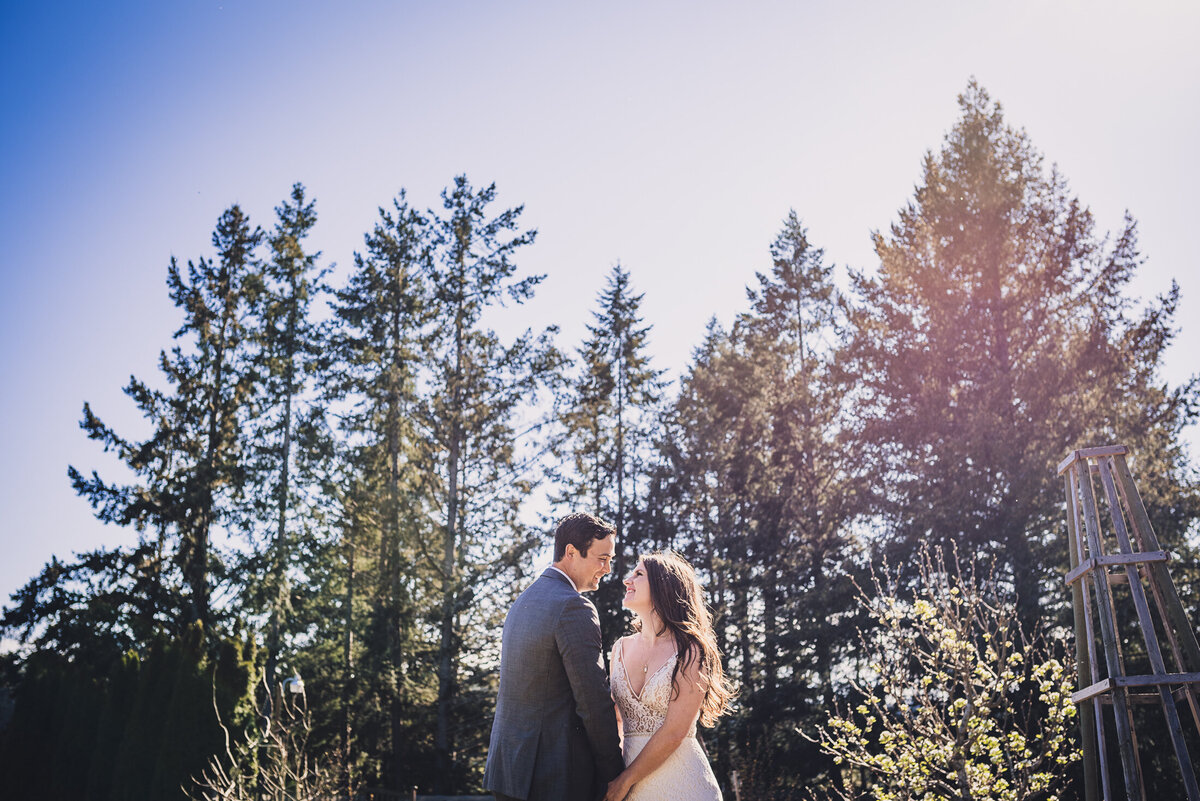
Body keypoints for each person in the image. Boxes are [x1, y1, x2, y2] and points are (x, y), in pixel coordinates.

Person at [484, 513, 625, 801]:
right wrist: (615, 772)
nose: (608, 568)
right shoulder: (574, 607)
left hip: (510, 771)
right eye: (602, 558)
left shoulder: (523, 601)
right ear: (571, 552)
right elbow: (592, 701)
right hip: (554, 778)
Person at [604, 550, 734, 801]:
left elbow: (675, 731)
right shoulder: (620, 648)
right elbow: (617, 721)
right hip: (632, 789)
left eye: (638, 574)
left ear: (663, 587)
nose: (626, 580)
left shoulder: (690, 650)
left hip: (685, 787)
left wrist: (624, 780)